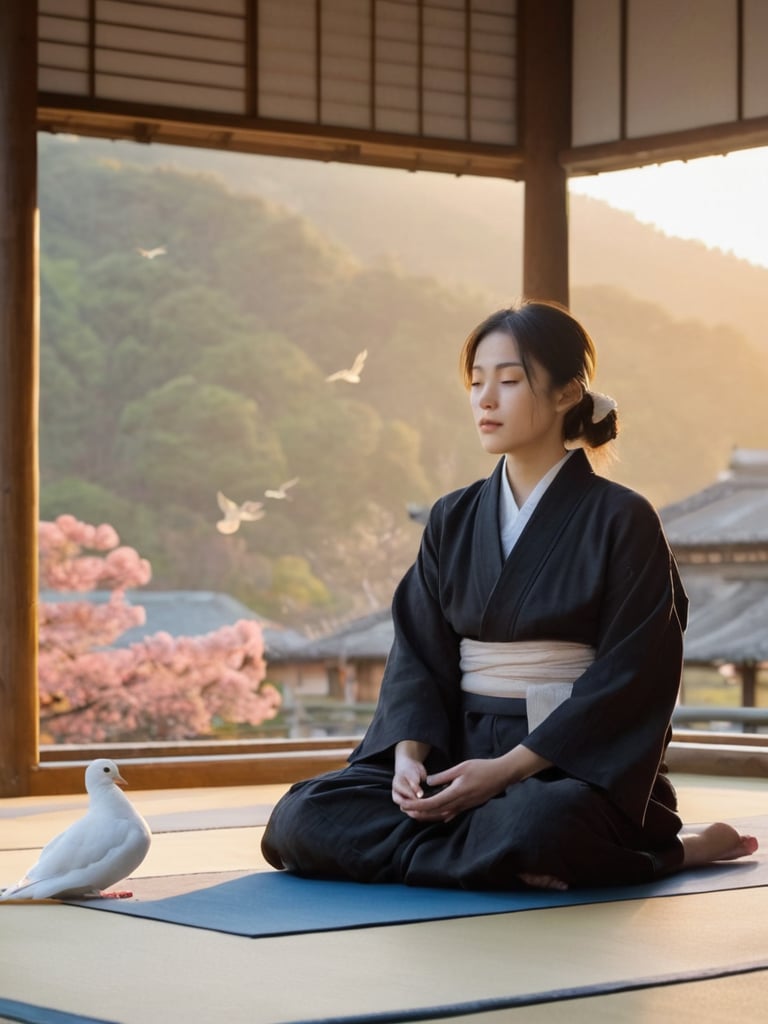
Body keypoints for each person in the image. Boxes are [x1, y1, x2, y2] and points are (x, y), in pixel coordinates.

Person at [261, 301, 758, 890]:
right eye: (476, 383)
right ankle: (505, 859)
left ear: (568, 393)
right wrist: (408, 757)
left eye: (510, 380)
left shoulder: (623, 517)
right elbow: (418, 652)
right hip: (455, 750)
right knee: (302, 818)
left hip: (563, 763)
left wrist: (505, 773)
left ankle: (664, 851)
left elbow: (636, 673)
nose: (485, 400)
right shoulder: (453, 515)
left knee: (544, 819)